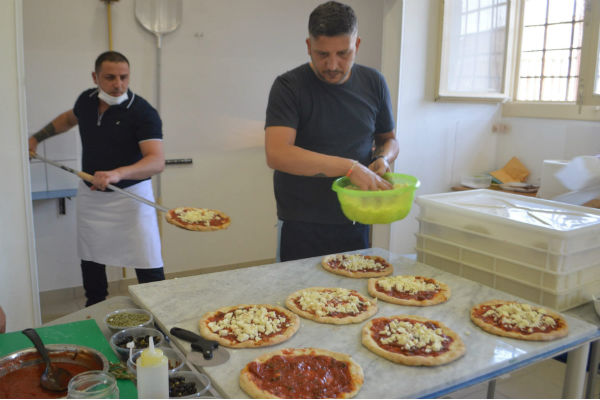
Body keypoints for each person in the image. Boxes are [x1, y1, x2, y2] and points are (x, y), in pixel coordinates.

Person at [264, 1, 399, 262]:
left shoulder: (374, 83)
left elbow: (389, 139)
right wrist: (350, 167)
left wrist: (383, 158)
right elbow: (277, 154)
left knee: (353, 299)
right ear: (308, 47)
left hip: (356, 216)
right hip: (302, 221)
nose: (333, 65)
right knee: (299, 297)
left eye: (343, 53)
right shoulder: (289, 86)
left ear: (357, 45)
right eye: (322, 54)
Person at [28, 51, 165, 306]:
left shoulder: (143, 112)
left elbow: (156, 161)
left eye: (124, 77)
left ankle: (158, 311)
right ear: (95, 77)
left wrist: (118, 173)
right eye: (110, 77)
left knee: (147, 258)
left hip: (131, 197)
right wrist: (36, 138)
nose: (118, 84)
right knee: (91, 255)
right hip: (92, 196)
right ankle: (95, 305)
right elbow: (68, 119)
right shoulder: (87, 100)